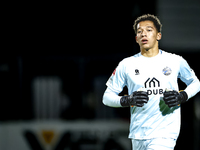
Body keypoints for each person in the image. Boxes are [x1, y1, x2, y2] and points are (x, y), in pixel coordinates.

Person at [102, 14, 200, 150]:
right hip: (138, 134)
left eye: (149, 30)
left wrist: (181, 96)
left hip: (164, 134)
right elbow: (107, 98)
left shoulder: (175, 61)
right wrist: (128, 100)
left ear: (158, 35)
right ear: (136, 39)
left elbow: (196, 83)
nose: (144, 34)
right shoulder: (126, 65)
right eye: (139, 31)